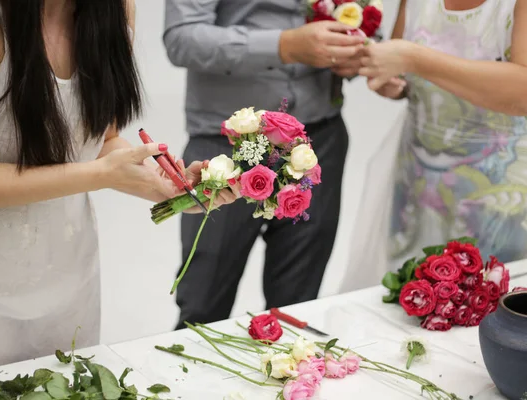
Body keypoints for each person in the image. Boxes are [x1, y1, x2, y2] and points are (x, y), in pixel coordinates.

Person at [0, 0, 237, 380]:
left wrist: (166, 186)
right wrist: (98, 174)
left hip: (70, 281)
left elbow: (97, 140)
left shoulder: (115, 10)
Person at [163, 0, 368, 329]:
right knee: (202, 303)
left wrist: (355, 50)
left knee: (297, 308)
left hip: (318, 139)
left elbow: (369, 24)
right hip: (225, 142)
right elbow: (182, 38)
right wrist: (284, 45)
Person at [358, 0, 527, 263]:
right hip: (418, 182)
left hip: (502, 194)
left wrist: (413, 58)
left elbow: (523, 94)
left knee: (494, 291)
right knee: (413, 289)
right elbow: (404, 74)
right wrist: (393, 82)